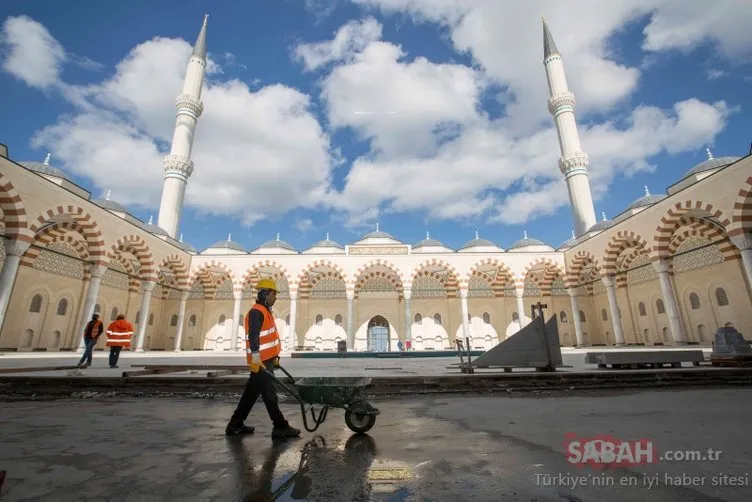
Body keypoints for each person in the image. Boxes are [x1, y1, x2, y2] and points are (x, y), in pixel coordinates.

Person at [226, 278, 301, 438]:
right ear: (265, 293)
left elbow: (269, 336)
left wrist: (274, 356)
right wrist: (255, 357)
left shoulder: (265, 311)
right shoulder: (257, 311)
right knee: (269, 393)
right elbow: (253, 335)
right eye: (274, 294)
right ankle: (280, 425)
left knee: (251, 393)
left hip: (266, 359)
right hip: (260, 361)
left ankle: (235, 424)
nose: (275, 297)